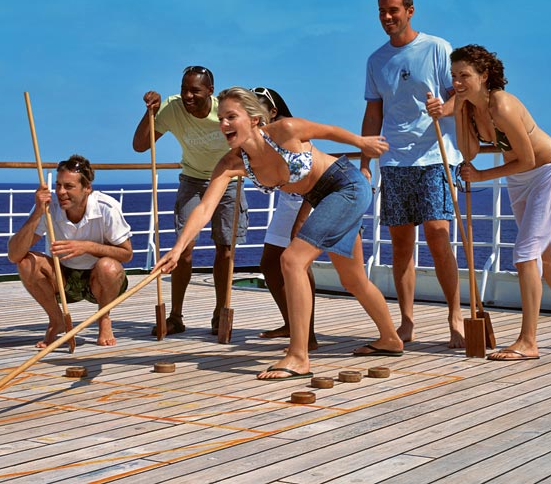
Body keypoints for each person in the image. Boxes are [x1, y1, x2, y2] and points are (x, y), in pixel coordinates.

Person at [154, 87, 403, 380]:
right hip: (323, 198)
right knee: (353, 278)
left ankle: (299, 356)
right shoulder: (232, 163)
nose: (223, 124)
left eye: (231, 116)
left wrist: (362, 143)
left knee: (292, 260)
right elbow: (205, 208)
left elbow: (329, 131)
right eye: (220, 118)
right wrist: (178, 247)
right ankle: (390, 339)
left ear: (254, 120)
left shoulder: (284, 130)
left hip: (345, 186)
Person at [451, 44, 551, 360]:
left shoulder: (501, 105)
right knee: (540, 255)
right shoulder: (470, 108)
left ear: (484, 75)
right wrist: (460, 111)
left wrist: (481, 177)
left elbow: (528, 157)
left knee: (525, 253)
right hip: (520, 178)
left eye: (464, 75)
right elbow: (469, 152)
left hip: (546, 171)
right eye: (454, 76)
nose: (457, 82)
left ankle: (528, 342)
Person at [361, 0, 465, 348]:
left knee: (438, 233)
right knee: (401, 243)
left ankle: (455, 315)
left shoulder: (437, 47)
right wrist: (365, 160)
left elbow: (459, 98)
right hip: (395, 158)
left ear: (410, 10)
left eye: (393, 10)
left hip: (437, 153)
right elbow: (373, 111)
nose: (387, 18)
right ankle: (406, 323)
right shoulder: (376, 60)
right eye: (382, 12)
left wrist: (445, 108)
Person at [132, 66, 248, 336]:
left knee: (226, 249)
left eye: (195, 90)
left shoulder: (224, 111)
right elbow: (140, 145)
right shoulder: (172, 107)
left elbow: (251, 133)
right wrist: (150, 112)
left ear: (210, 91)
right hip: (193, 179)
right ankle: (175, 317)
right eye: (184, 89)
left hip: (228, 179)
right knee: (182, 249)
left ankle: (221, 314)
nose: (188, 95)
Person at [8, 154, 133, 348]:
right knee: (26, 262)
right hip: (62, 278)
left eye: (69, 186)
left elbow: (126, 254)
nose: (61, 192)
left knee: (109, 266)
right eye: (58, 185)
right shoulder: (49, 207)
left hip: (98, 282)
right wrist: (37, 212)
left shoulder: (107, 208)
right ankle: (57, 320)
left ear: (87, 188)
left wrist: (87, 247)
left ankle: (104, 319)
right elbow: (14, 255)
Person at [252, 87, 318, 350]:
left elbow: (313, 180)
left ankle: (308, 335)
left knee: (299, 264)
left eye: (256, 113)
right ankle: (292, 323)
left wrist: (301, 222)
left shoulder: (291, 135)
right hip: (288, 201)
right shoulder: (260, 137)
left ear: (273, 112)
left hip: (312, 199)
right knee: (269, 264)